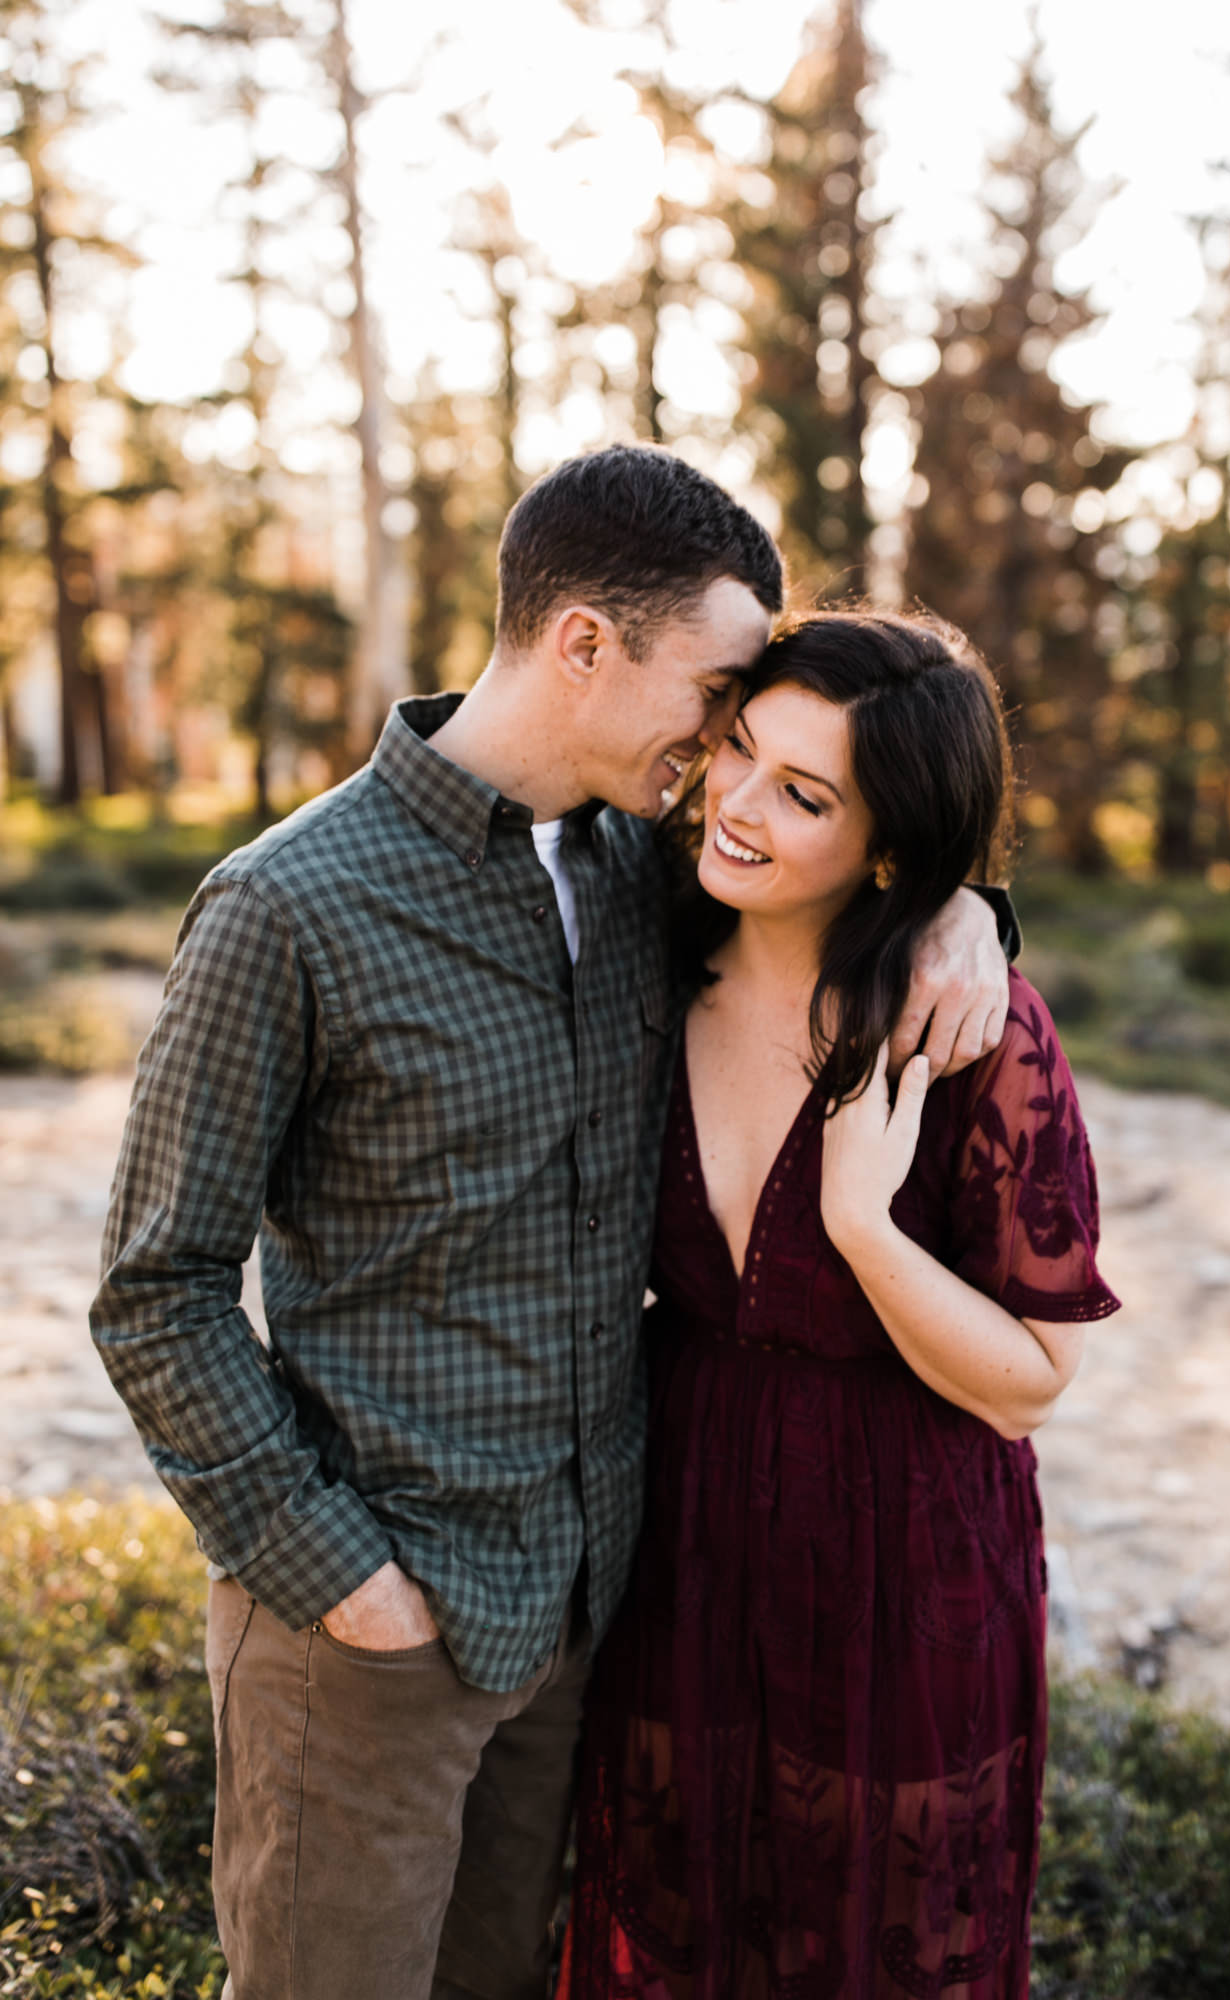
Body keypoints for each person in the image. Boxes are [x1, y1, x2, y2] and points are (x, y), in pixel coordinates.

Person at [91, 448, 1013, 2000]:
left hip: (579, 1613)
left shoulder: (640, 864)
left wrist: (965, 907)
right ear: (584, 643)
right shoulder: (287, 908)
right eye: (715, 691)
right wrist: (342, 1581)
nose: (723, 746)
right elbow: (156, 1293)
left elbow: (844, 841)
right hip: (363, 1628)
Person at [560, 610, 1120, 2000]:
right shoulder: (643, 951)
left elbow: (1027, 1381)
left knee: (875, 1940)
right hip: (681, 1532)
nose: (736, 805)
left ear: (888, 848)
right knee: (672, 1920)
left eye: (801, 795)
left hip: (905, 1561)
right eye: (738, 749)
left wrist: (862, 1230)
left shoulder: (973, 1037)